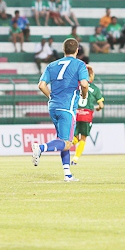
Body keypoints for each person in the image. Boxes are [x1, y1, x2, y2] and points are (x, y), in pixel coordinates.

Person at [31, 38, 90, 182]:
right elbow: (84, 83)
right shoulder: (80, 64)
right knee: (67, 142)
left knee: (64, 141)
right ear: (77, 50)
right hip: (67, 108)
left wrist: (51, 96)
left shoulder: (52, 65)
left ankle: (67, 174)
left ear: (64, 50)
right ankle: (41, 148)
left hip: (53, 106)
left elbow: (41, 85)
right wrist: (84, 94)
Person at [72, 65, 105, 165]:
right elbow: (101, 105)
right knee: (83, 138)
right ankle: (75, 159)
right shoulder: (94, 88)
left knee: (74, 137)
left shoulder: (77, 86)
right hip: (87, 115)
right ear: (91, 76)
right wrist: (98, 108)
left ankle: (63, 145)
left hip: (76, 113)